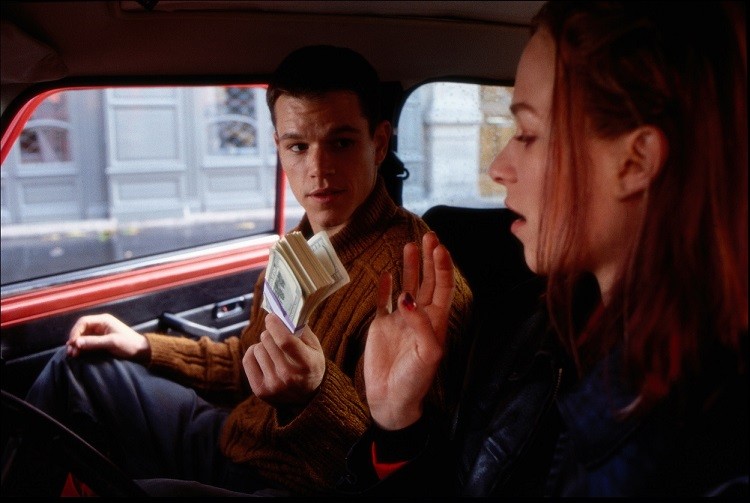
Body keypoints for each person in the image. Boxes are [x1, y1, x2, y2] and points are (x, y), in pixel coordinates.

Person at [19, 45, 472, 496]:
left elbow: (401, 473)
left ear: (379, 143)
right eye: (298, 146)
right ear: (279, 148)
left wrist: (313, 395)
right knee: (77, 369)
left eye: (341, 143)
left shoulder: (420, 284)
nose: (318, 170)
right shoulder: (303, 244)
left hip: (295, 484)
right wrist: (144, 346)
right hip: (235, 441)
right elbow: (247, 360)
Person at [342, 1, 748, 497]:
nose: (498, 168)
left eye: (528, 135)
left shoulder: (713, 446)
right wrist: (397, 423)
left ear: (635, 161)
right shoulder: (535, 328)